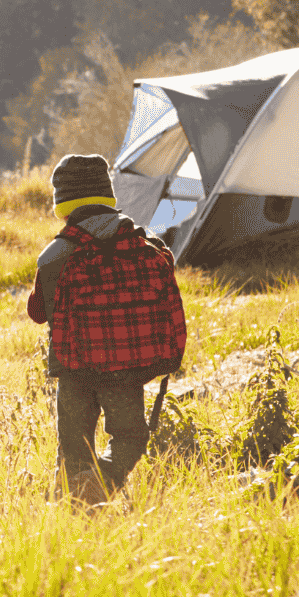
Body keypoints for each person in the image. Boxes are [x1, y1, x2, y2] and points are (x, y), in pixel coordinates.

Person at [25, 153, 179, 505]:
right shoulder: (144, 245)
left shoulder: (56, 253)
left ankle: (77, 513)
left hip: (73, 368)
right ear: (110, 198)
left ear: (62, 208)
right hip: (125, 369)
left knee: (74, 448)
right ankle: (102, 480)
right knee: (130, 438)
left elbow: (38, 313)